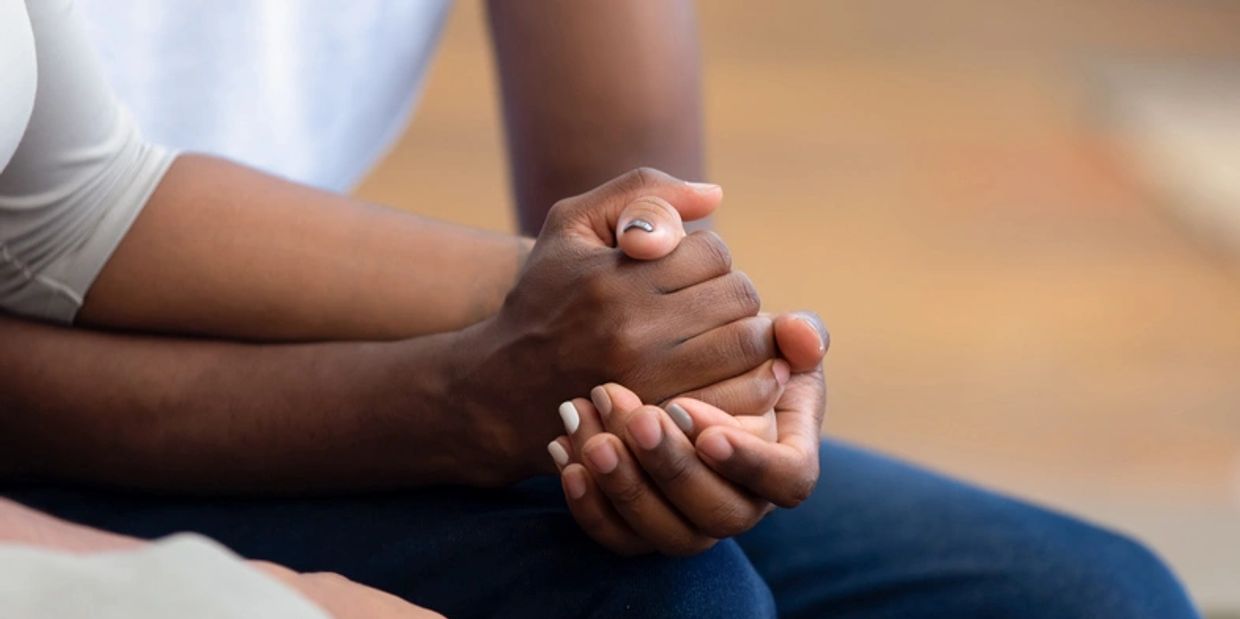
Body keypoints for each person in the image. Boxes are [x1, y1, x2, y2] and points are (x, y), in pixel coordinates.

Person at [0, 0, 1201, 617]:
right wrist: (449, 401)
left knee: (1082, 596)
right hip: (67, 416)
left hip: (281, 313)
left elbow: (76, 202)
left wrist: (694, 356)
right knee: (652, 601)